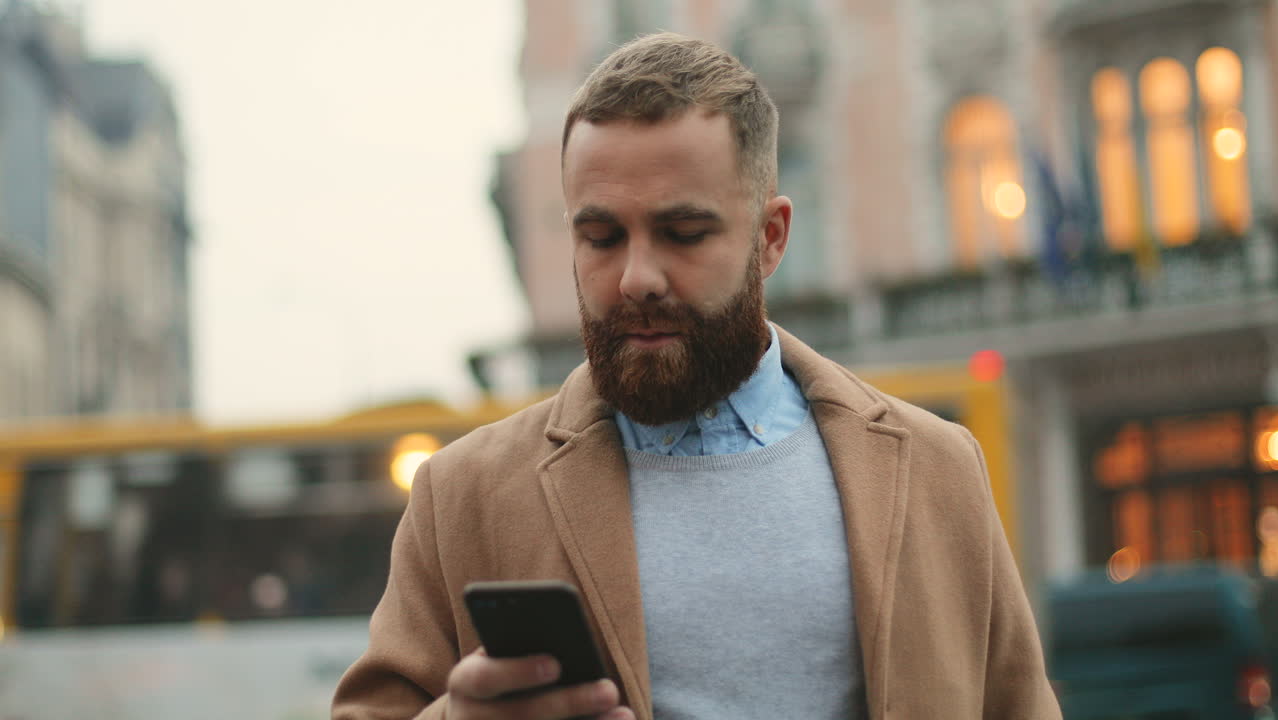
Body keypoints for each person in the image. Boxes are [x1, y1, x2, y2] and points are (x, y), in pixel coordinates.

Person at [332, 32, 1062, 720]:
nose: (636, 277)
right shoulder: (464, 495)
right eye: (601, 237)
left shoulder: (937, 468)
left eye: (683, 233)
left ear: (770, 238)